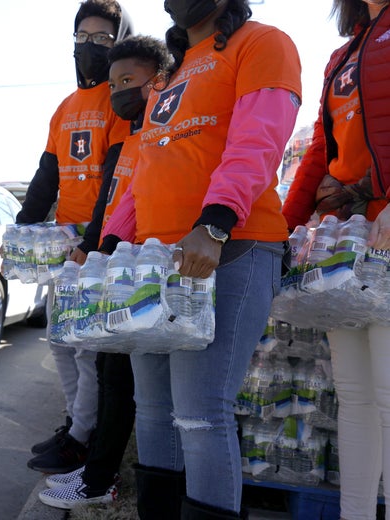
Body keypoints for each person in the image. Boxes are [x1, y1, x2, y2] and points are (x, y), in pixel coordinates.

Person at [99, 0, 302, 518]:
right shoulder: (173, 71)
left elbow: (259, 140)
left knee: (200, 413)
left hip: (231, 248)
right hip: (158, 261)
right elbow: (147, 168)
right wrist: (108, 247)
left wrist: (214, 222)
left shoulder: (263, 42)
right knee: (153, 410)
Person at [36, 34, 173, 510]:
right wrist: (99, 248)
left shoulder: (163, 132)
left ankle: (100, 479)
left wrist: (106, 246)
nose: (119, 92)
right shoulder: (134, 135)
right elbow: (119, 203)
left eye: (128, 81)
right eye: (114, 83)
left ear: (159, 81)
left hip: (150, 270)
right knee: (112, 374)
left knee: (134, 389)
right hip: (118, 265)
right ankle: (96, 473)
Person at [282, 1, 390, 518]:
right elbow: (321, 150)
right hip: (343, 240)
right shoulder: (342, 54)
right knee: (354, 396)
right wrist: (283, 227)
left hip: (388, 230)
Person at [17, 0, 132, 475]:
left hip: (100, 244)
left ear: (119, 41)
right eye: (82, 38)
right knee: (61, 341)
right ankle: (74, 425)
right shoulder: (65, 106)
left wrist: (96, 241)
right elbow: (48, 173)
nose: (90, 47)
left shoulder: (120, 99)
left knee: (86, 347)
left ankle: (83, 438)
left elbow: (115, 175)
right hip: (63, 243)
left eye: (103, 38)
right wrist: (21, 228)